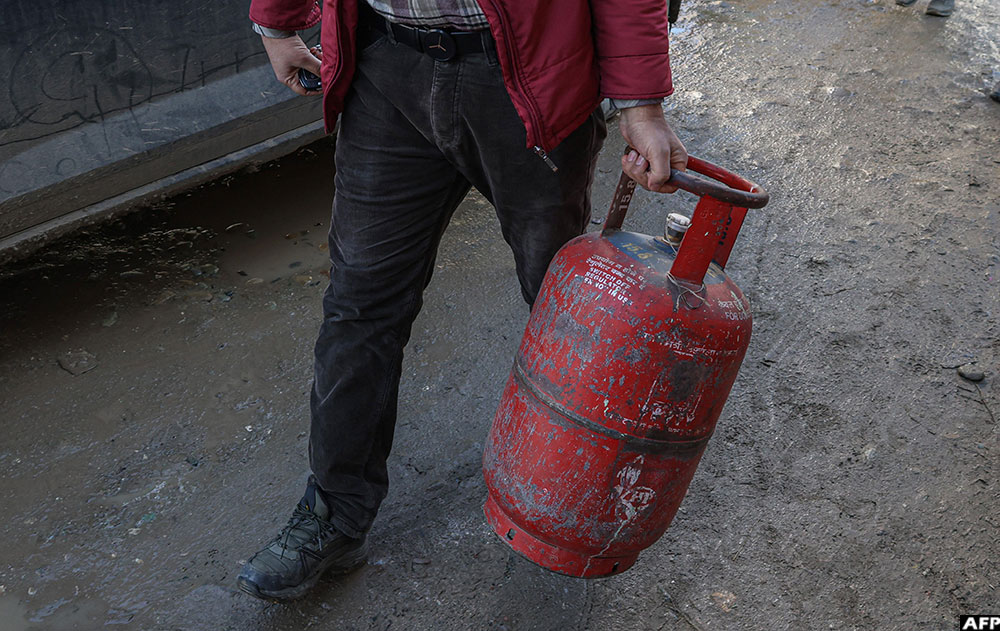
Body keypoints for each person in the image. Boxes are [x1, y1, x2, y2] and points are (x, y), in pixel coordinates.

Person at [237, 0, 688, 601]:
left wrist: (642, 104)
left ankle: (592, 497)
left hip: (527, 76)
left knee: (560, 306)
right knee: (359, 304)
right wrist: (277, 22)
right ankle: (335, 513)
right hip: (385, 64)